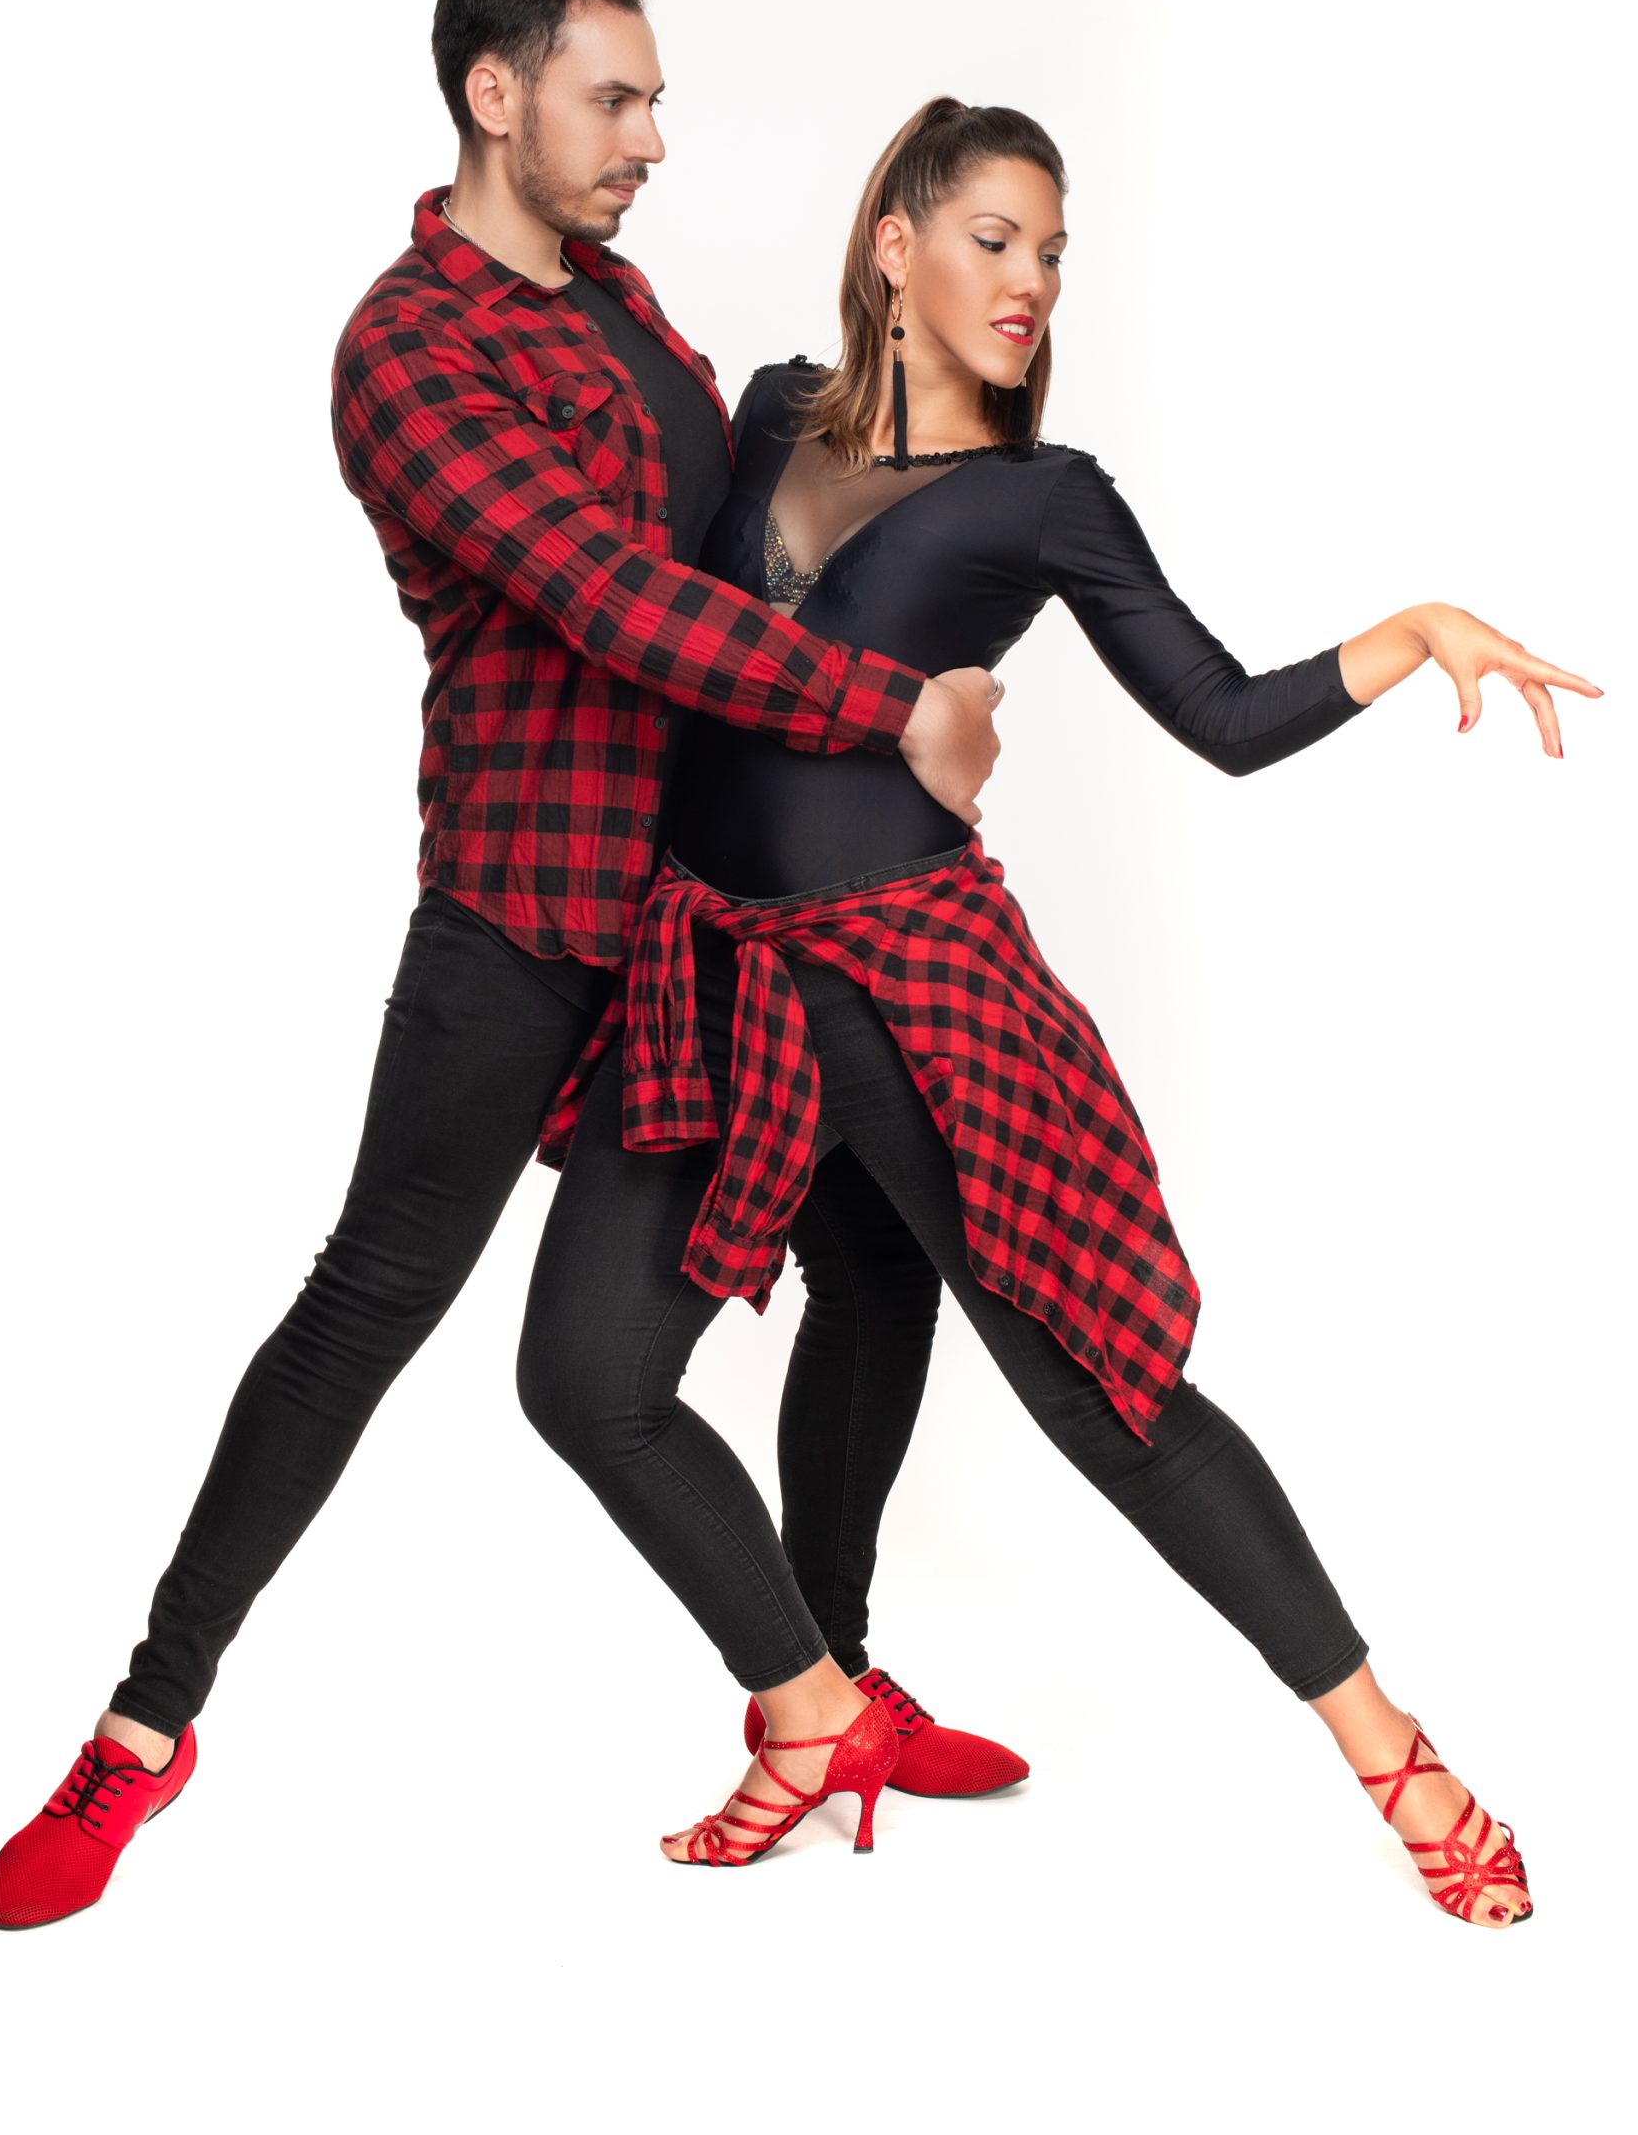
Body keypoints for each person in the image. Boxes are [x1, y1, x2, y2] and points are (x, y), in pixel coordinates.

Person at [0, 0, 1027, 1934]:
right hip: (526, 921)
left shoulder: (620, 306)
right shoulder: (407, 349)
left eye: (652, 101)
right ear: (494, 93)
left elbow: (742, 541)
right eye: (613, 98)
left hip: (706, 928)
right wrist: (886, 707)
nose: (651, 139)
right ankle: (142, 1728)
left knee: (870, 1255)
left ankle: (832, 1688)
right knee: (366, 1307)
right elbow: (612, 596)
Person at [517, 94, 1600, 1916]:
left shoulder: (1047, 498)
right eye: (995, 239)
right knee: (611, 1371)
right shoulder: (766, 411)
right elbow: (641, 615)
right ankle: (822, 1705)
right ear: (896, 247)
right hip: (711, 972)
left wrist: (1407, 632)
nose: (1030, 282)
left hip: (910, 985)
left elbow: (1223, 716)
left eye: (1052, 255)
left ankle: (1393, 1752)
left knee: (1101, 1385)